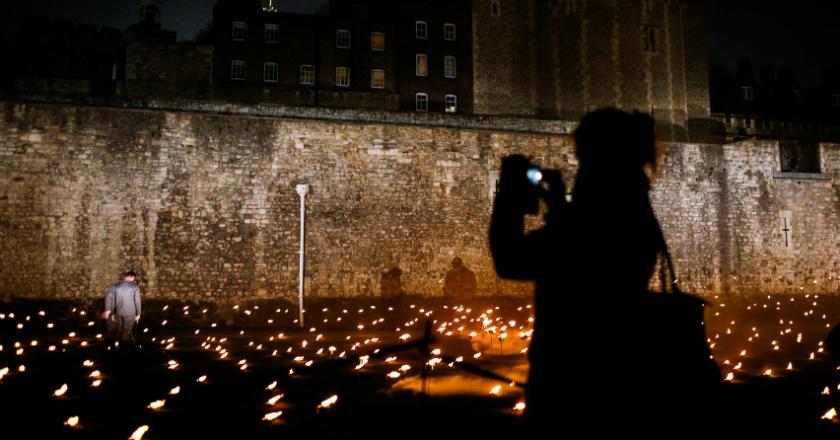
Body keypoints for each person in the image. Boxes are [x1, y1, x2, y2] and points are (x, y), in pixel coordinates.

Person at [490, 109, 714, 433]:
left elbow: (511, 260)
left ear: (599, 159)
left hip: (573, 393)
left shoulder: (591, 222)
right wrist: (560, 209)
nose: (580, 168)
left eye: (583, 157)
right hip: (627, 387)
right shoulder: (635, 209)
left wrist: (510, 196)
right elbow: (596, 251)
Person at [103, 271, 142, 350]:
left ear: (125, 277)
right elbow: (137, 301)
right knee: (126, 331)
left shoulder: (116, 286)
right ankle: (123, 349)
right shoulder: (135, 287)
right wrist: (138, 313)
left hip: (119, 312)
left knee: (119, 329)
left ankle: (115, 347)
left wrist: (111, 312)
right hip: (130, 313)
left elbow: (111, 299)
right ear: (133, 277)